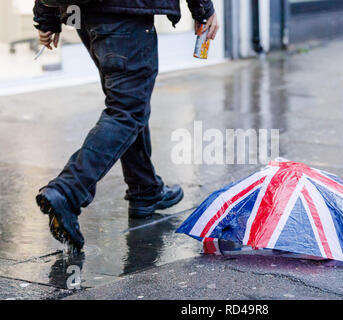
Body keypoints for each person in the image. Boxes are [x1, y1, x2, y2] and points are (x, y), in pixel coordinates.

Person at [33, 0, 219, 251]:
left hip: (86, 15)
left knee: (130, 103)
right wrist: (204, 10)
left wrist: (47, 16)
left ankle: (145, 190)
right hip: (125, 13)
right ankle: (67, 191)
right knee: (126, 111)